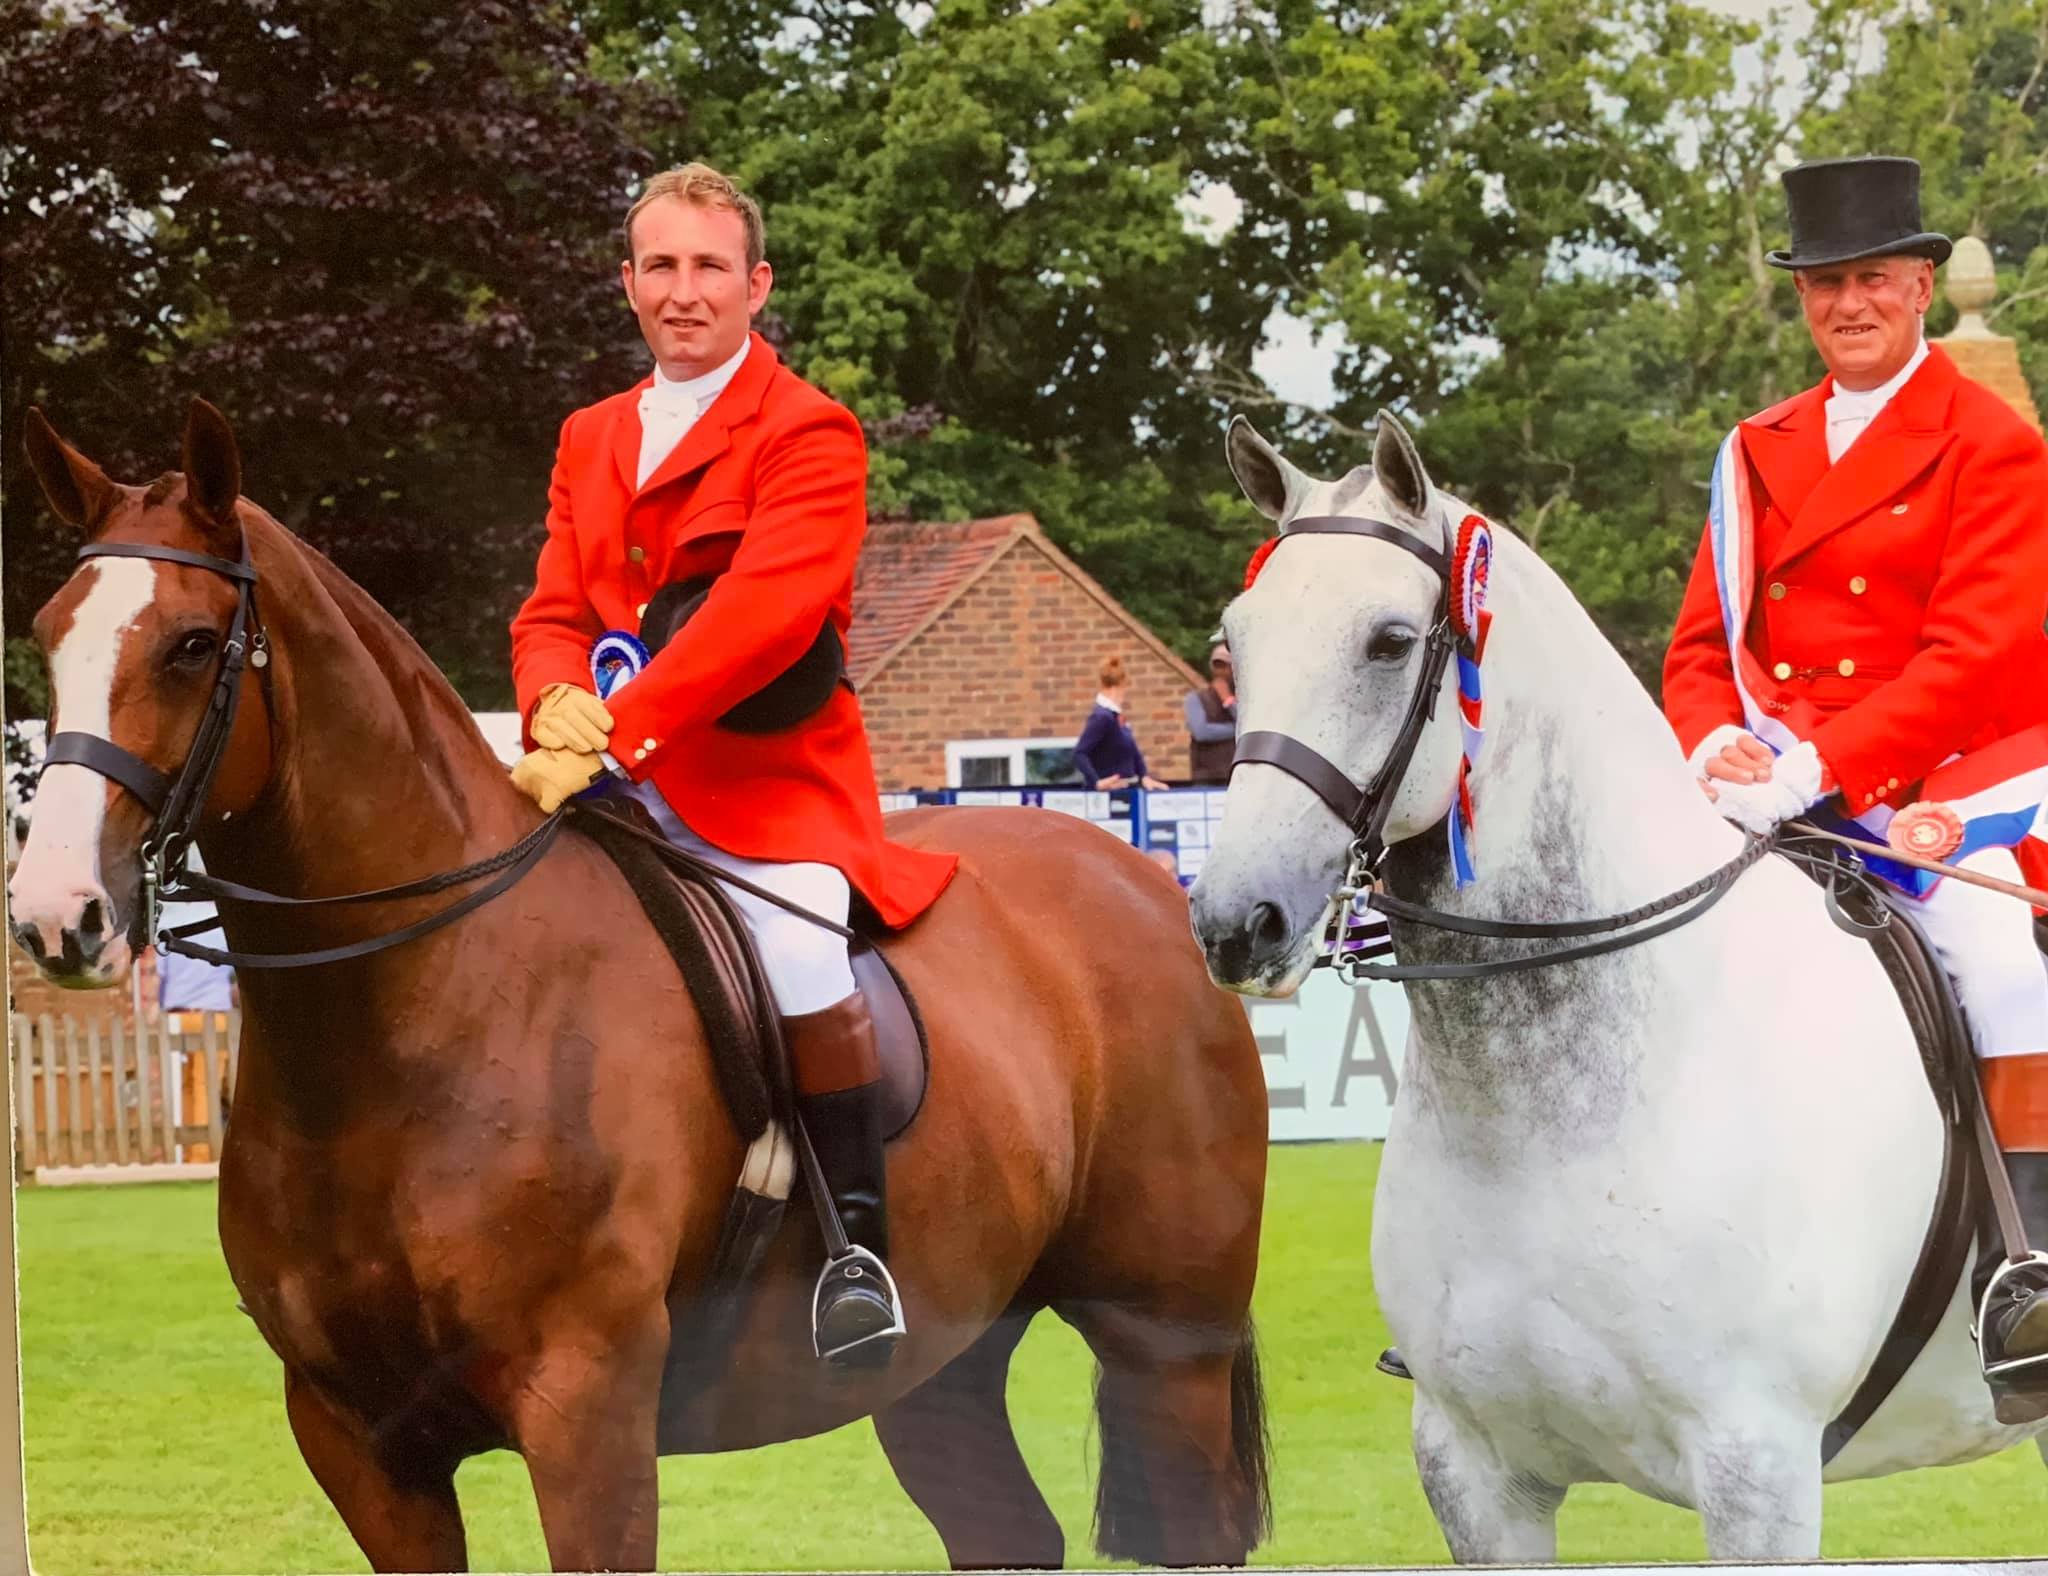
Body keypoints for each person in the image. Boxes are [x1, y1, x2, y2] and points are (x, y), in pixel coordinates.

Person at [506, 162, 958, 1364]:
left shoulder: (809, 429)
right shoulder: (588, 435)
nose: (684, 291)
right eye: (661, 266)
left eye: (709, 267)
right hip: (603, 787)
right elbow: (553, 604)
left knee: (800, 940)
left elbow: (762, 616)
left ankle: (855, 1248)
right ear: (628, 284)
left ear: (754, 286)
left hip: (768, 796)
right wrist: (553, 704)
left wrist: (616, 730)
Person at [1663, 155, 2048, 1420]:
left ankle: (2026, 1268)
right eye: (1823, 283)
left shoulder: (1990, 443)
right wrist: (1711, 743)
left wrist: (1820, 766)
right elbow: (1699, 647)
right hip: (1773, 774)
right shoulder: (1754, 446)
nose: (1846, 303)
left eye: (1870, 278)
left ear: (1920, 285)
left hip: (1935, 776)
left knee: (1994, 950)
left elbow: (1972, 655)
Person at [1072, 656, 1168, 791]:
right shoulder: (1102, 717)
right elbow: (1080, 753)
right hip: (1107, 797)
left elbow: (1133, 750)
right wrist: (1096, 782)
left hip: (1126, 789)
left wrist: (1144, 776)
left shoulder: (1115, 716)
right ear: (1122, 685)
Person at [1185, 640, 1237, 786]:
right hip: (1206, 779)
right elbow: (1201, 732)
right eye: (1217, 665)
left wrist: (1228, 701)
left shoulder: (1243, 700)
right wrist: (1235, 729)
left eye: (1225, 666)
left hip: (1236, 777)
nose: (1221, 671)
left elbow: (1249, 725)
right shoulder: (1195, 698)